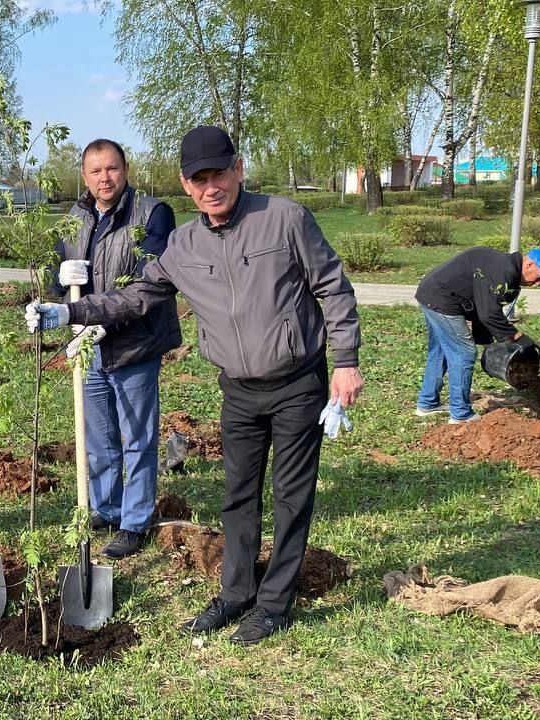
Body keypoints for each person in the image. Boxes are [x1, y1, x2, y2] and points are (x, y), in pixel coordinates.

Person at [26, 125, 364, 646]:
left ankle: (274, 604)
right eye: (199, 178)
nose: (212, 187)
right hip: (238, 388)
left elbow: (333, 287)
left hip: (298, 380)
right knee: (238, 495)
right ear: (186, 185)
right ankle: (235, 593)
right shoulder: (184, 244)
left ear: (239, 170)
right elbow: (136, 297)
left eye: (220, 174)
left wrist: (345, 360)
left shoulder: (284, 219)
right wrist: (67, 310)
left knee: (291, 497)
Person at [52, 138, 178, 559]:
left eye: (112, 169)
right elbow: (62, 285)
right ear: (84, 176)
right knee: (99, 437)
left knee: (137, 437)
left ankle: (135, 520)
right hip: (88, 347)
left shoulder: (152, 215)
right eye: (95, 171)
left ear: (126, 170)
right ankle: (105, 506)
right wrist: (59, 280)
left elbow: (151, 286)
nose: (104, 178)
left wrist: (97, 324)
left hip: (135, 345)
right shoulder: (73, 219)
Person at [414, 246, 540, 423]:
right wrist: (516, 337)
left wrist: (487, 342)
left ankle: (428, 403)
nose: (539, 283)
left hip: (432, 293)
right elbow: (488, 313)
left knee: (441, 350)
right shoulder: (503, 272)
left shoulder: (506, 272)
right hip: (442, 299)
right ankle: (461, 414)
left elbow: (482, 306)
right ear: (529, 264)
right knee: (463, 352)